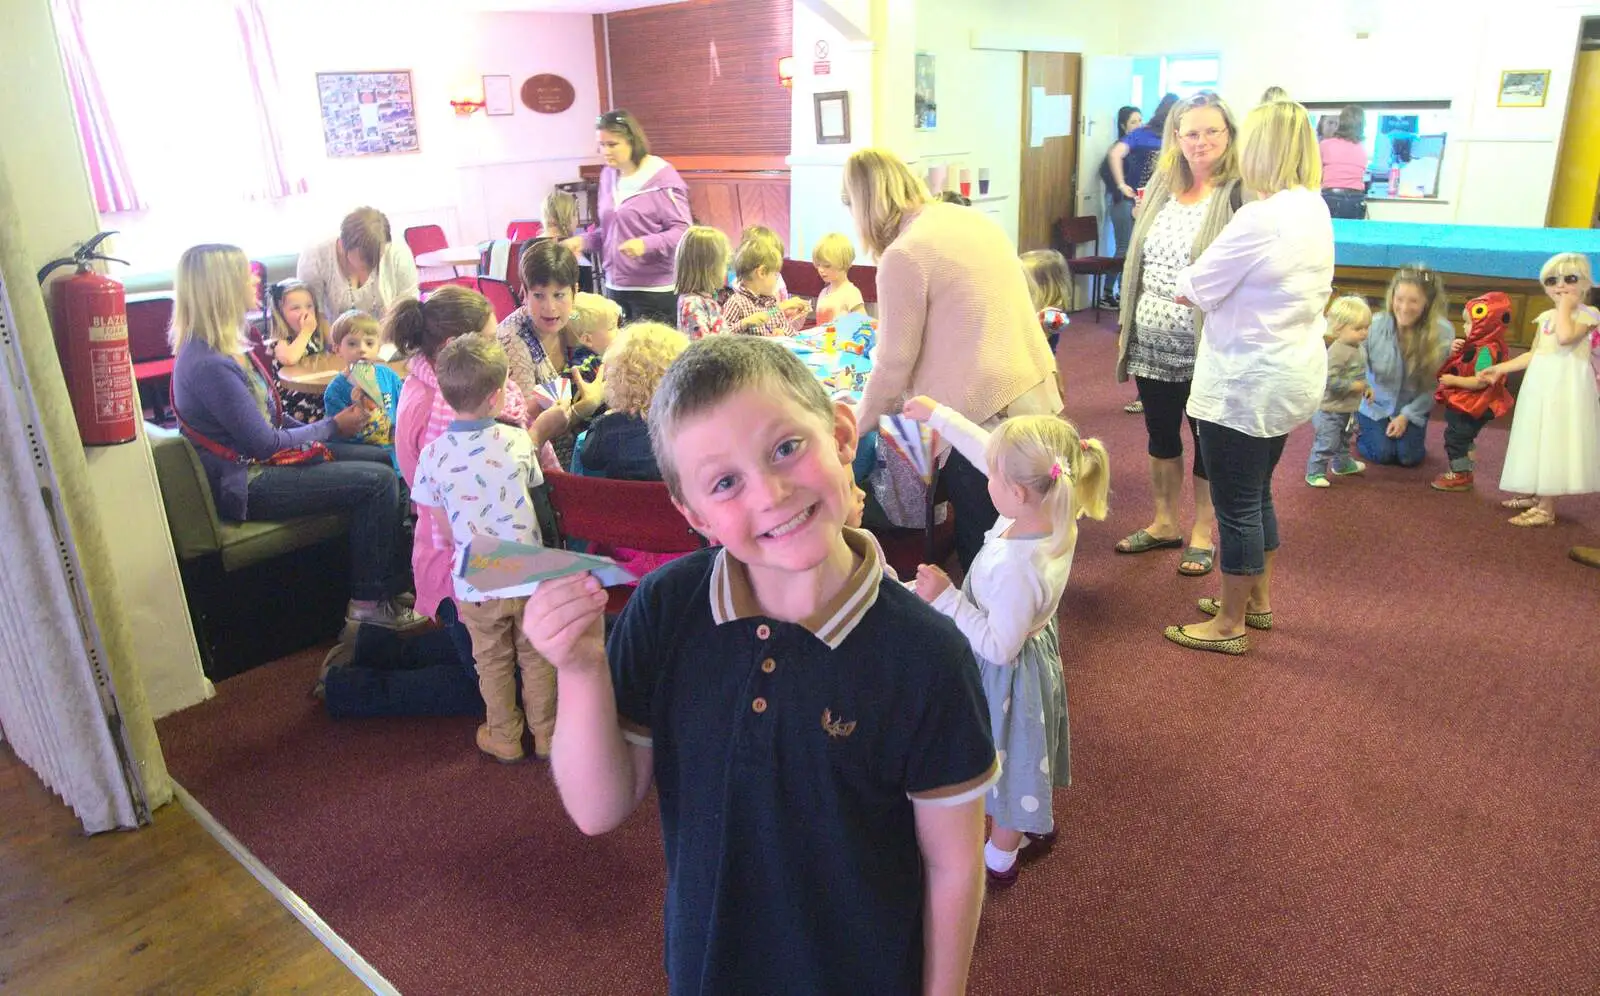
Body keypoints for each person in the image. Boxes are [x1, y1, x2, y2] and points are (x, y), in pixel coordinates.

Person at [520, 335, 995, 996]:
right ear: (693, 514)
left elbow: (952, 865)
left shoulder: (926, 654)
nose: (769, 494)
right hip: (708, 970)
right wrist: (577, 669)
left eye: (785, 448)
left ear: (839, 433)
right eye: (724, 482)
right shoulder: (666, 609)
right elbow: (600, 808)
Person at [905, 396, 1108, 888]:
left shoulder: (1022, 566)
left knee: (1010, 759)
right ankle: (1031, 821)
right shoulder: (1052, 508)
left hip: (1005, 672)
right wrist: (940, 416)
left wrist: (949, 599)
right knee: (1021, 751)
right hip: (1020, 649)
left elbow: (998, 647)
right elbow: (988, 452)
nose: (984, 480)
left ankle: (1002, 852)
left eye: (992, 479)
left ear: (1017, 492)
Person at [169, 244, 424, 631]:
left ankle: (391, 583)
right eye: (244, 274)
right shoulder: (209, 365)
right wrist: (334, 425)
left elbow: (271, 418)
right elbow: (264, 445)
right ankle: (369, 604)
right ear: (220, 287)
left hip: (259, 463)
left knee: (384, 459)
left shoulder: (222, 347)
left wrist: (326, 427)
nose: (253, 279)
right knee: (379, 481)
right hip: (249, 481)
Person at [1163, 99, 1334, 656]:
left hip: (1244, 379)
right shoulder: (1313, 206)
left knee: (1236, 505)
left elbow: (1195, 285)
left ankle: (1229, 622)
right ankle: (1257, 599)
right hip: (1287, 373)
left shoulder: (1261, 217)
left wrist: (1195, 280)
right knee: (1257, 493)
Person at [845, 147, 1062, 571]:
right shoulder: (969, 219)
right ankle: (1028, 619)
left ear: (864, 203)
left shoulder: (904, 253)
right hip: (1032, 388)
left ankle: (991, 632)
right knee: (1031, 530)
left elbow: (893, 363)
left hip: (980, 415)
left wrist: (855, 426)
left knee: (986, 545)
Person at [1113, 91, 1243, 577]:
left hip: (1207, 343)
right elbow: (1137, 261)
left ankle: (1202, 533)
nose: (1201, 141)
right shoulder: (1163, 187)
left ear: (1229, 135)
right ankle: (1165, 522)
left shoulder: (1237, 195)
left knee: (1207, 440)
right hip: (1151, 339)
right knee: (1160, 434)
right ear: (1176, 138)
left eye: (1213, 131)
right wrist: (1128, 323)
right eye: (1191, 132)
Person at [412, 333, 556, 763]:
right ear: (497, 397)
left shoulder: (433, 456)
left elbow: (442, 528)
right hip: (529, 572)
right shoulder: (517, 441)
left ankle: (505, 736)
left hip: (478, 577)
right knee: (537, 658)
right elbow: (537, 494)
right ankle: (548, 735)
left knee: (491, 661)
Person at [393, 285, 535, 636]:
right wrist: (540, 432)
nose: (498, 347)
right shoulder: (441, 408)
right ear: (453, 347)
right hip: (461, 569)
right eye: (489, 340)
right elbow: (481, 483)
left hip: (459, 560)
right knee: (487, 671)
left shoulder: (425, 384)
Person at [1481, 253, 1600, 526]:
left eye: (1569, 279)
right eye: (1552, 280)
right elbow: (1534, 353)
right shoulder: (1545, 316)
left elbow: (1566, 336)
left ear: (1585, 283)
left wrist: (1565, 306)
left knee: (1555, 440)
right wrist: (1501, 368)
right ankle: (1536, 494)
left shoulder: (1589, 314)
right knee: (1536, 435)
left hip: (1566, 387)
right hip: (1541, 384)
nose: (1560, 286)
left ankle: (1547, 509)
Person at [560, 110, 691, 323]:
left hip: (655, 290)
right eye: (601, 145)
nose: (605, 151)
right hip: (615, 287)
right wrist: (582, 241)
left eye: (612, 144)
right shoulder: (608, 176)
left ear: (632, 141)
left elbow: (683, 232)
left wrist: (645, 244)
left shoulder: (661, 178)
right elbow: (611, 232)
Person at [496, 241, 611, 466]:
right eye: (539, 296)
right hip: (540, 461)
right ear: (524, 293)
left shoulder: (576, 319)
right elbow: (528, 427)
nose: (550, 308)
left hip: (585, 440)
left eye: (559, 295)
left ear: (575, 291)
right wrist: (583, 408)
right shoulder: (513, 340)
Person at [1356, 265, 1454, 467]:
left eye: (1413, 301)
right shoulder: (1374, 325)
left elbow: (1435, 385)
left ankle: (1408, 431)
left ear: (1427, 303)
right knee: (1382, 454)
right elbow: (1357, 368)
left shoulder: (1443, 333)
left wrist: (1406, 416)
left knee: (1409, 458)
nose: (1404, 307)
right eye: (1399, 299)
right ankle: (1359, 430)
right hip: (1376, 405)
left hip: (1414, 407)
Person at [572, 322, 687, 481]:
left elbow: (586, 474)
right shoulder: (693, 430)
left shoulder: (604, 431)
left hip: (616, 505)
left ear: (616, 377)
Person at [1430, 292, 1516, 493]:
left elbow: (1480, 381)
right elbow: (1466, 361)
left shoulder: (1486, 351)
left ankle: (1460, 474)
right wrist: (1456, 349)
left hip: (1474, 404)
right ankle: (1466, 462)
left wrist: (1454, 380)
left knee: (1455, 437)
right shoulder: (1484, 344)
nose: (1465, 328)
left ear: (1485, 325)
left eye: (1469, 324)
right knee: (1463, 434)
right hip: (1469, 403)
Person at [296, 207, 420, 321]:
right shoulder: (315, 255)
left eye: (376, 260)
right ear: (343, 247)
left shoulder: (398, 252)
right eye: (363, 263)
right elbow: (313, 315)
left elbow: (408, 308)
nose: (368, 272)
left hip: (388, 337)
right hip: (336, 339)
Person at [322, 310, 403, 469]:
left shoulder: (389, 376)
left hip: (397, 459)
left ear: (378, 347)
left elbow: (403, 410)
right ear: (337, 349)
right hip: (364, 464)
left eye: (369, 343)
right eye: (352, 344)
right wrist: (359, 409)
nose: (362, 349)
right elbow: (338, 436)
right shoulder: (335, 391)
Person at [1304, 296, 1371, 487]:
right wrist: (1352, 386)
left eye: (1366, 327)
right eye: (1358, 329)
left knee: (1344, 439)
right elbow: (1328, 380)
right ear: (1339, 328)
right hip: (1329, 409)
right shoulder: (1337, 351)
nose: (1364, 333)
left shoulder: (1358, 348)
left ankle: (1342, 464)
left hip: (1347, 408)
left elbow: (1359, 374)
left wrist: (1367, 388)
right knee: (1327, 441)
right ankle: (1314, 472)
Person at [261, 278, 331, 422]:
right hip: (294, 403)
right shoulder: (279, 342)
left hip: (317, 392)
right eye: (296, 308)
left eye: (309, 306)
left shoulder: (315, 336)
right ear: (280, 313)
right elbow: (290, 358)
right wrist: (306, 331)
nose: (304, 312)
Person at [721, 229, 810, 335]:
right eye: (775, 274)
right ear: (762, 272)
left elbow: (789, 330)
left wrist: (783, 332)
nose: (777, 279)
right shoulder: (736, 302)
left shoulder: (771, 303)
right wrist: (744, 323)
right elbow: (722, 336)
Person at [1098, 104, 1144, 310]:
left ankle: (1120, 292)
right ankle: (1109, 292)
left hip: (1135, 203)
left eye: (1140, 121)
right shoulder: (1118, 149)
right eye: (1134, 122)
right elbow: (1105, 172)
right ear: (1124, 126)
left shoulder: (1139, 148)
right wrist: (1121, 190)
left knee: (1130, 248)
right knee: (1123, 248)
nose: (1139, 125)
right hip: (1121, 203)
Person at [674, 225, 730, 339]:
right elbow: (703, 350)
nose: (726, 268)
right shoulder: (693, 304)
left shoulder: (707, 299)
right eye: (724, 262)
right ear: (709, 267)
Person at [1319, 105, 1370, 219]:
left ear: (1341, 123)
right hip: (1356, 200)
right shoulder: (1362, 149)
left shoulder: (1325, 145)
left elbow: (1315, 174)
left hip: (1331, 197)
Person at [1021, 249, 1070, 352]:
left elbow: (1032, 342)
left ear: (1044, 287)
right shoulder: (1032, 305)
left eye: (1023, 279)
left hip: (1037, 365)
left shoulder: (1052, 315)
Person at [812, 232, 866, 325]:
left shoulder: (851, 293)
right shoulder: (823, 293)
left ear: (843, 264)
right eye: (818, 264)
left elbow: (864, 326)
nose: (820, 269)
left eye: (827, 266)